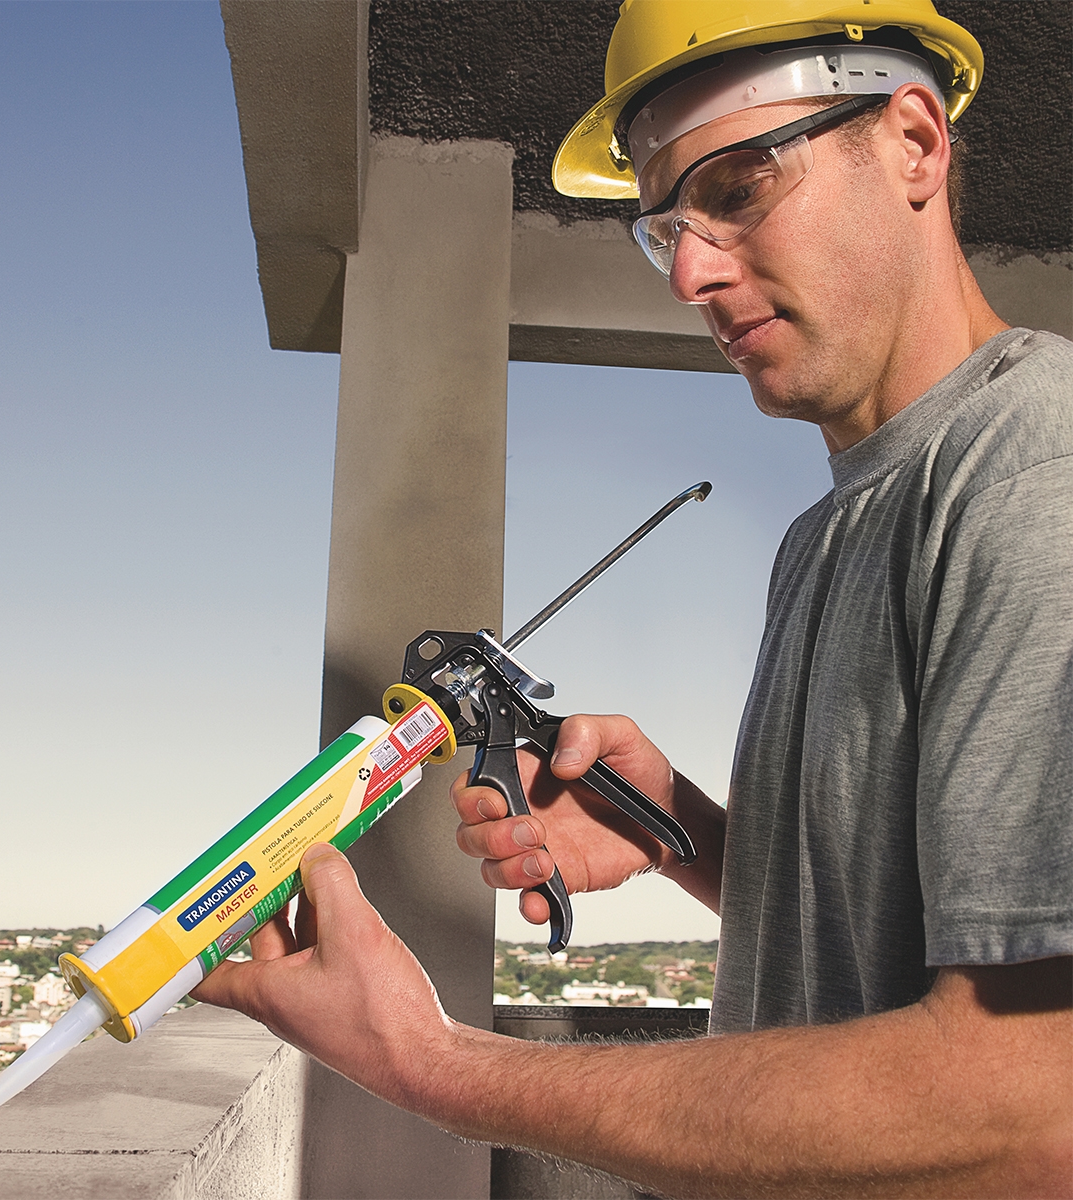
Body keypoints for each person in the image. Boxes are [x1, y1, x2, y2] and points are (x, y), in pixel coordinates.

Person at [195, 2, 1072, 1193]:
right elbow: (884, 943)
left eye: (740, 186)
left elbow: (1033, 1109)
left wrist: (426, 1060)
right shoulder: (828, 532)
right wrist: (685, 835)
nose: (695, 272)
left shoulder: (1035, 465)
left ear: (914, 141)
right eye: (665, 229)